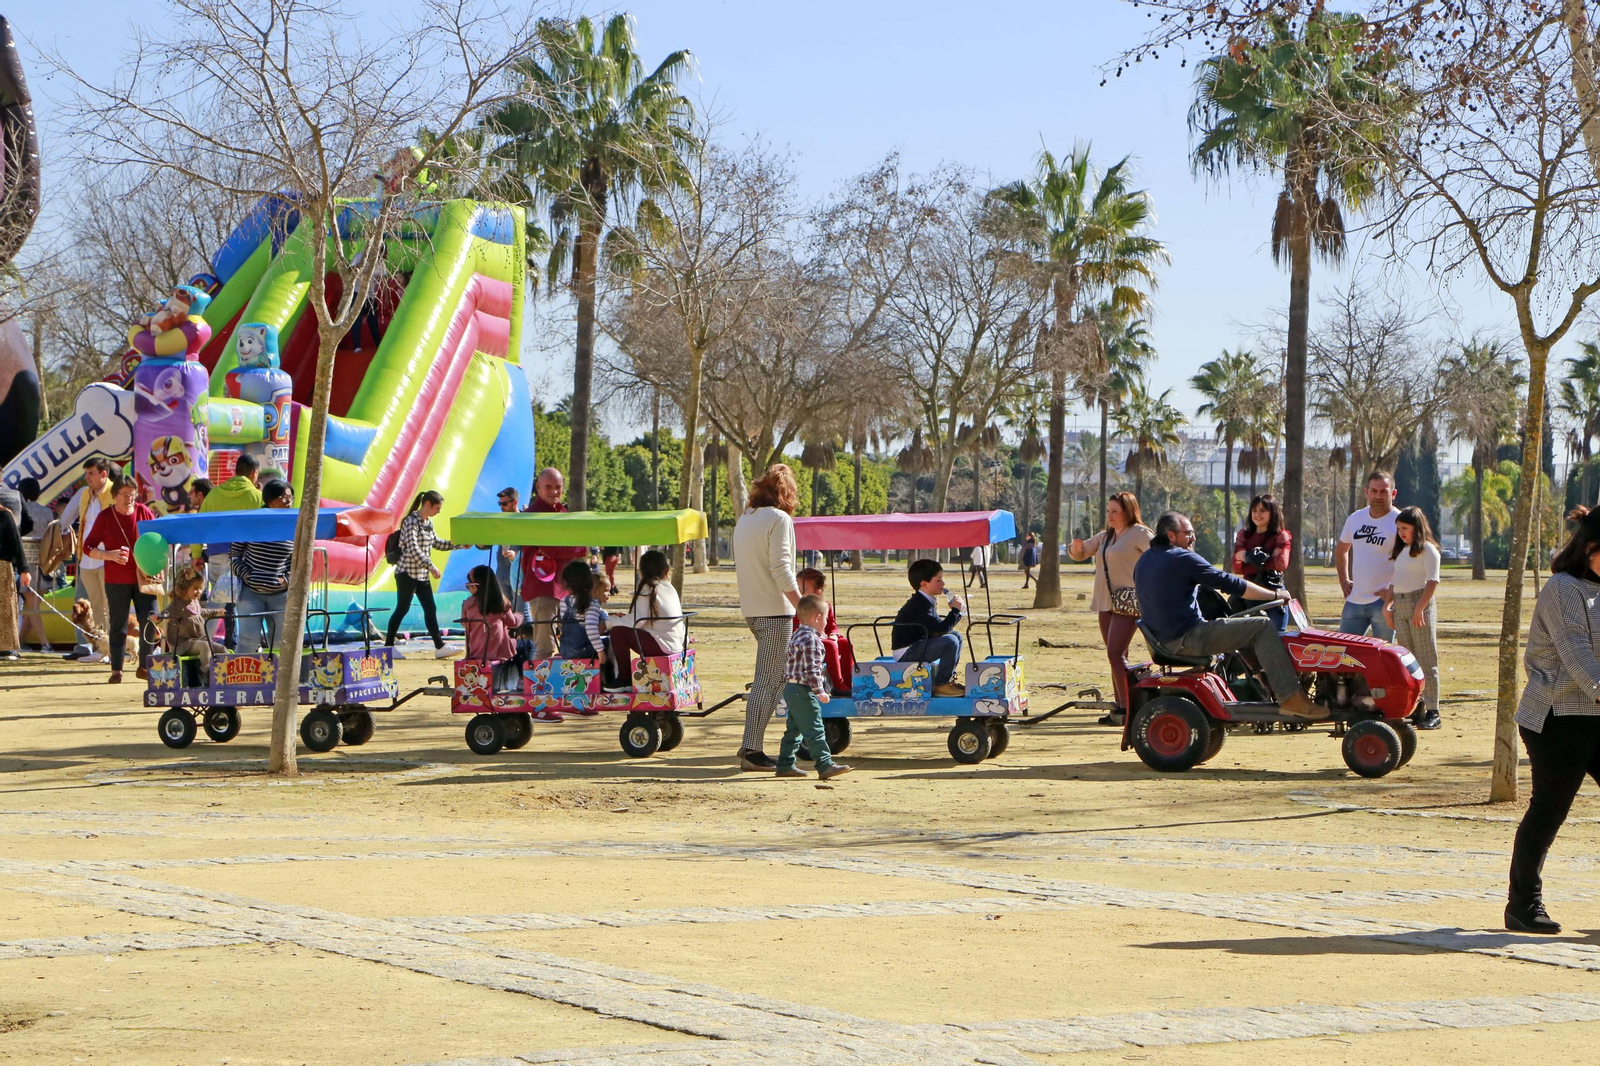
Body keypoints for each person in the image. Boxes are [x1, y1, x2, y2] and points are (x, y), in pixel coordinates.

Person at [1505, 504, 1600, 935]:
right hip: (1558, 716)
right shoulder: (1564, 589)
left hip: (1595, 715)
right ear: (1592, 547)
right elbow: (1577, 655)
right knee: (1550, 808)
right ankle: (1523, 904)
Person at [1132, 510, 1324, 720]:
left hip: (1165, 639)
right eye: (1188, 533)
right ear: (1171, 536)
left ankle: (1267, 684)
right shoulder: (1181, 557)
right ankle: (1291, 698)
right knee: (1261, 626)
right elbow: (1229, 583)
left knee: (1243, 626)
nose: (1193, 538)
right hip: (1186, 638)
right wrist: (1274, 594)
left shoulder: (1145, 560)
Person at [731, 463, 802, 772]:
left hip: (753, 609)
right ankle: (751, 749)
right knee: (768, 680)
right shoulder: (779, 519)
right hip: (775, 611)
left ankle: (752, 744)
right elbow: (781, 568)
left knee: (773, 679)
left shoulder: (746, 519)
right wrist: (804, 606)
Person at [1068, 492, 1153, 726]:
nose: (1111, 515)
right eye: (1108, 511)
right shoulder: (1106, 536)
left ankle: (1129, 707)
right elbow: (1081, 552)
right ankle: (1120, 706)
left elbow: (1159, 557)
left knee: (1115, 653)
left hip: (1128, 603)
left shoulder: (1140, 534)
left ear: (1128, 511)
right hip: (1106, 602)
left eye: (1115, 511)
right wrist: (1075, 548)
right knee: (1117, 655)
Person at [82, 474, 156, 683]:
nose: (129, 499)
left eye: (132, 495)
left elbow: (157, 541)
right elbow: (88, 546)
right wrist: (108, 555)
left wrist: (157, 565)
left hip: (145, 577)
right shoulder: (105, 517)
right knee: (118, 624)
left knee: (150, 619)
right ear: (115, 496)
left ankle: (145, 665)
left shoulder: (144, 512)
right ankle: (117, 669)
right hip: (116, 579)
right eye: (124, 494)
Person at [775, 594, 852, 780]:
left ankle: (785, 764)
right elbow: (812, 670)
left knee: (794, 729)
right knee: (815, 728)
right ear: (818, 617)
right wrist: (821, 692)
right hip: (803, 690)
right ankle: (825, 765)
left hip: (791, 688)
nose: (826, 622)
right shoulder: (812, 640)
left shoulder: (797, 635)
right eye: (825, 618)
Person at [1383, 506, 1442, 731]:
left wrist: (1420, 608)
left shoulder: (1428, 550)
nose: (1401, 533)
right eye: (1398, 529)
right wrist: (1387, 607)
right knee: (1408, 661)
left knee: (1427, 658)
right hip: (1401, 603)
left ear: (1416, 527)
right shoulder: (1401, 551)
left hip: (1420, 603)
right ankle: (1416, 707)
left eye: (1405, 529)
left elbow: (1432, 581)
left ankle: (1433, 710)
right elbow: (1395, 581)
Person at [385, 489, 465, 658]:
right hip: (406, 572)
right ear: (427, 504)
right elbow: (413, 548)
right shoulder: (411, 522)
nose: (438, 512)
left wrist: (458, 544)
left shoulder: (428, 523)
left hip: (421, 574)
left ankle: (439, 646)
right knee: (402, 608)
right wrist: (431, 566)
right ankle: (389, 646)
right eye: (437, 508)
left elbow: (436, 543)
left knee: (430, 607)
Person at [519, 468, 585, 659]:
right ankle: (539, 687)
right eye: (549, 487)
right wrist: (579, 549)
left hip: (562, 590)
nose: (554, 491)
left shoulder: (563, 512)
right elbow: (551, 548)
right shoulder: (533, 515)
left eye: (558, 487)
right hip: (542, 591)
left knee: (568, 643)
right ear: (538, 487)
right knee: (545, 646)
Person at [200, 453, 264, 650]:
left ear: (235, 472)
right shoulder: (257, 496)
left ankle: (204, 644)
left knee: (215, 603)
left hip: (216, 555)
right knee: (245, 602)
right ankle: (244, 648)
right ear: (254, 473)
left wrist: (196, 553)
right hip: (246, 558)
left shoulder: (214, 495)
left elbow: (197, 523)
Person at [230, 480, 295, 654]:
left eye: (291, 497)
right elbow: (234, 556)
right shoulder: (252, 522)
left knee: (281, 642)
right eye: (284, 497)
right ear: (270, 500)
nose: (289, 501)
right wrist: (246, 576)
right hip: (250, 593)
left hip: (281, 594)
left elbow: (300, 562)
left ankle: (278, 680)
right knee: (248, 640)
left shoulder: (295, 524)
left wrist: (286, 579)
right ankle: (241, 679)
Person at [1336, 470, 1399, 641]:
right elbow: (1342, 549)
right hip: (1354, 600)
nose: (1378, 496)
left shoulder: (1400, 522)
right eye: (1374, 491)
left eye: (1383, 491)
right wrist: (1344, 580)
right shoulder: (1356, 518)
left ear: (1393, 493)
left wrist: (1393, 591)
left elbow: (1409, 562)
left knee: (1384, 656)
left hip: (1384, 602)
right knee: (1344, 655)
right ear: (1366, 492)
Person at [891, 558, 967, 696]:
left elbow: (939, 628)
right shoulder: (920, 604)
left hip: (916, 646)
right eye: (938, 580)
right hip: (907, 652)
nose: (943, 584)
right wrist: (955, 611)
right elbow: (941, 629)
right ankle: (941, 685)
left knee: (956, 636)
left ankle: (948, 680)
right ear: (924, 584)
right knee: (951, 641)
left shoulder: (925, 601)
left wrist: (957, 612)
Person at [65, 457, 115, 663]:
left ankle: (113, 649)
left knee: (110, 604)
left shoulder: (114, 492)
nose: (87, 478)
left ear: (104, 474)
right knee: (95, 604)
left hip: (108, 557)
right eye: (86, 473)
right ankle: (101, 647)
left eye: (91, 473)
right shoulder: (85, 494)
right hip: (86, 559)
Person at [609, 549, 684, 683]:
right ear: (665, 570)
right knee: (621, 627)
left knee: (617, 632)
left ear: (641, 571)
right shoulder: (669, 587)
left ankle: (623, 679)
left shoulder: (648, 588)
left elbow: (636, 622)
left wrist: (609, 622)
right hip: (676, 643)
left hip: (663, 645)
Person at [557, 558, 621, 693]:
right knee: (610, 643)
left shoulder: (564, 601)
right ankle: (609, 681)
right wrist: (600, 651)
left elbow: (563, 625)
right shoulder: (591, 603)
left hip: (566, 649)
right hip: (585, 650)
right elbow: (591, 629)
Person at [1231, 493, 1292, 631]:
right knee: (1246, 641)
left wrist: (1248, 558)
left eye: (1263, 510)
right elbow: (1237, 567)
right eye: (1254, 510)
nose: (1257, 514)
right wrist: (1268, 558)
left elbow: (1281, 564)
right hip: (1249, 592)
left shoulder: (1281, 536)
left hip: (1274, 589)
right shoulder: (1243, 535)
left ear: (1273, 512)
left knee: (1277, 636)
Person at [795, 566, 855, 694]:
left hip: (822, 639)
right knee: (830, 645)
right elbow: (796, 628)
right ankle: (838, 684)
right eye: (798, 589)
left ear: (818, 591)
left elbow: (832, 625)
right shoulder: (797, 607)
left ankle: (849, 681)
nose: (800, 592)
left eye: (804, 589)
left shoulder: (825, 606)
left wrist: (834, 634)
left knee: (845, 643)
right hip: (806, 642)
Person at [161, 567, 223, 681]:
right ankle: (205, 672)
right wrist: (158, 617)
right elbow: (166, 612)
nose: (198, 592)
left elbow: (201, 612)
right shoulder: (177, 605)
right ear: (184, 588)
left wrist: (216, 611)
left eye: (200, 588)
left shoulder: (194, 602)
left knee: (221, 648)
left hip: (197, 640)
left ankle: (223, 672)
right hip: (182, 644)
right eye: (195, 588)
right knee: (205, 646)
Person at [462, 562, 522, 662]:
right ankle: (520, 674)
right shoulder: (501, 602)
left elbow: (464, 623)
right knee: (529, 645)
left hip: (474, 652)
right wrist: (520, 615)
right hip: (500, 652)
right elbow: (513, 623)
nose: (469, 589)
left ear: (477, 586)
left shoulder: (467, 604)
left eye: (469, 586)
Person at [482, 487, 524, 616]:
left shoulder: (525, 521)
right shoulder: (500, 521)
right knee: (506, 613)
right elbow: (485, 544)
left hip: (519, 575)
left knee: (521, 613)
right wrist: (478, 541)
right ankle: (511, 636)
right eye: (500, 504)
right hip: (502, 574)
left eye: (504, 504)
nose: (502, 507)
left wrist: (517, 555)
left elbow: (533, 549)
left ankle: (524, 636)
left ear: (515, 502)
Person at [0, 492, 26, 660]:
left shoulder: (5, 516)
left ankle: (7, 647)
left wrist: (24, 569)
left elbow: (17, 543)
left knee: (6, 608)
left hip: (2, 567)